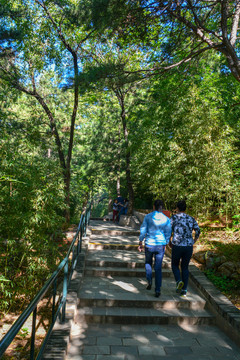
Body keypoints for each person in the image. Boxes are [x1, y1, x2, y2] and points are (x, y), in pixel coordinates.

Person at [138, 200, 172, 297]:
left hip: (149, 244)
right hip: (160, 245)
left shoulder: (148, 217)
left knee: (148, 263)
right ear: (162, 207)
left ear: (154, 206)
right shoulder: (166, 219)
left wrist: (140, 241)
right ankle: (157, 290)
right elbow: (168, 233)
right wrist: (165, 243)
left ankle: (149, 281)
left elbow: (143, 229)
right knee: (158, 268)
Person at [170, 200, 200, 297]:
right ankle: (184, 290)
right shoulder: (191, 218)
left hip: (177, 245)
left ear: (177, 208)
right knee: (185, 267)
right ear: (185, 208)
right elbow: (198, 230)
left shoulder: (174, 218)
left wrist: (169, 241)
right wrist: (194, 239)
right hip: (188, 246)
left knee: (174, 265)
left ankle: (178, 281)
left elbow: (168, 230)